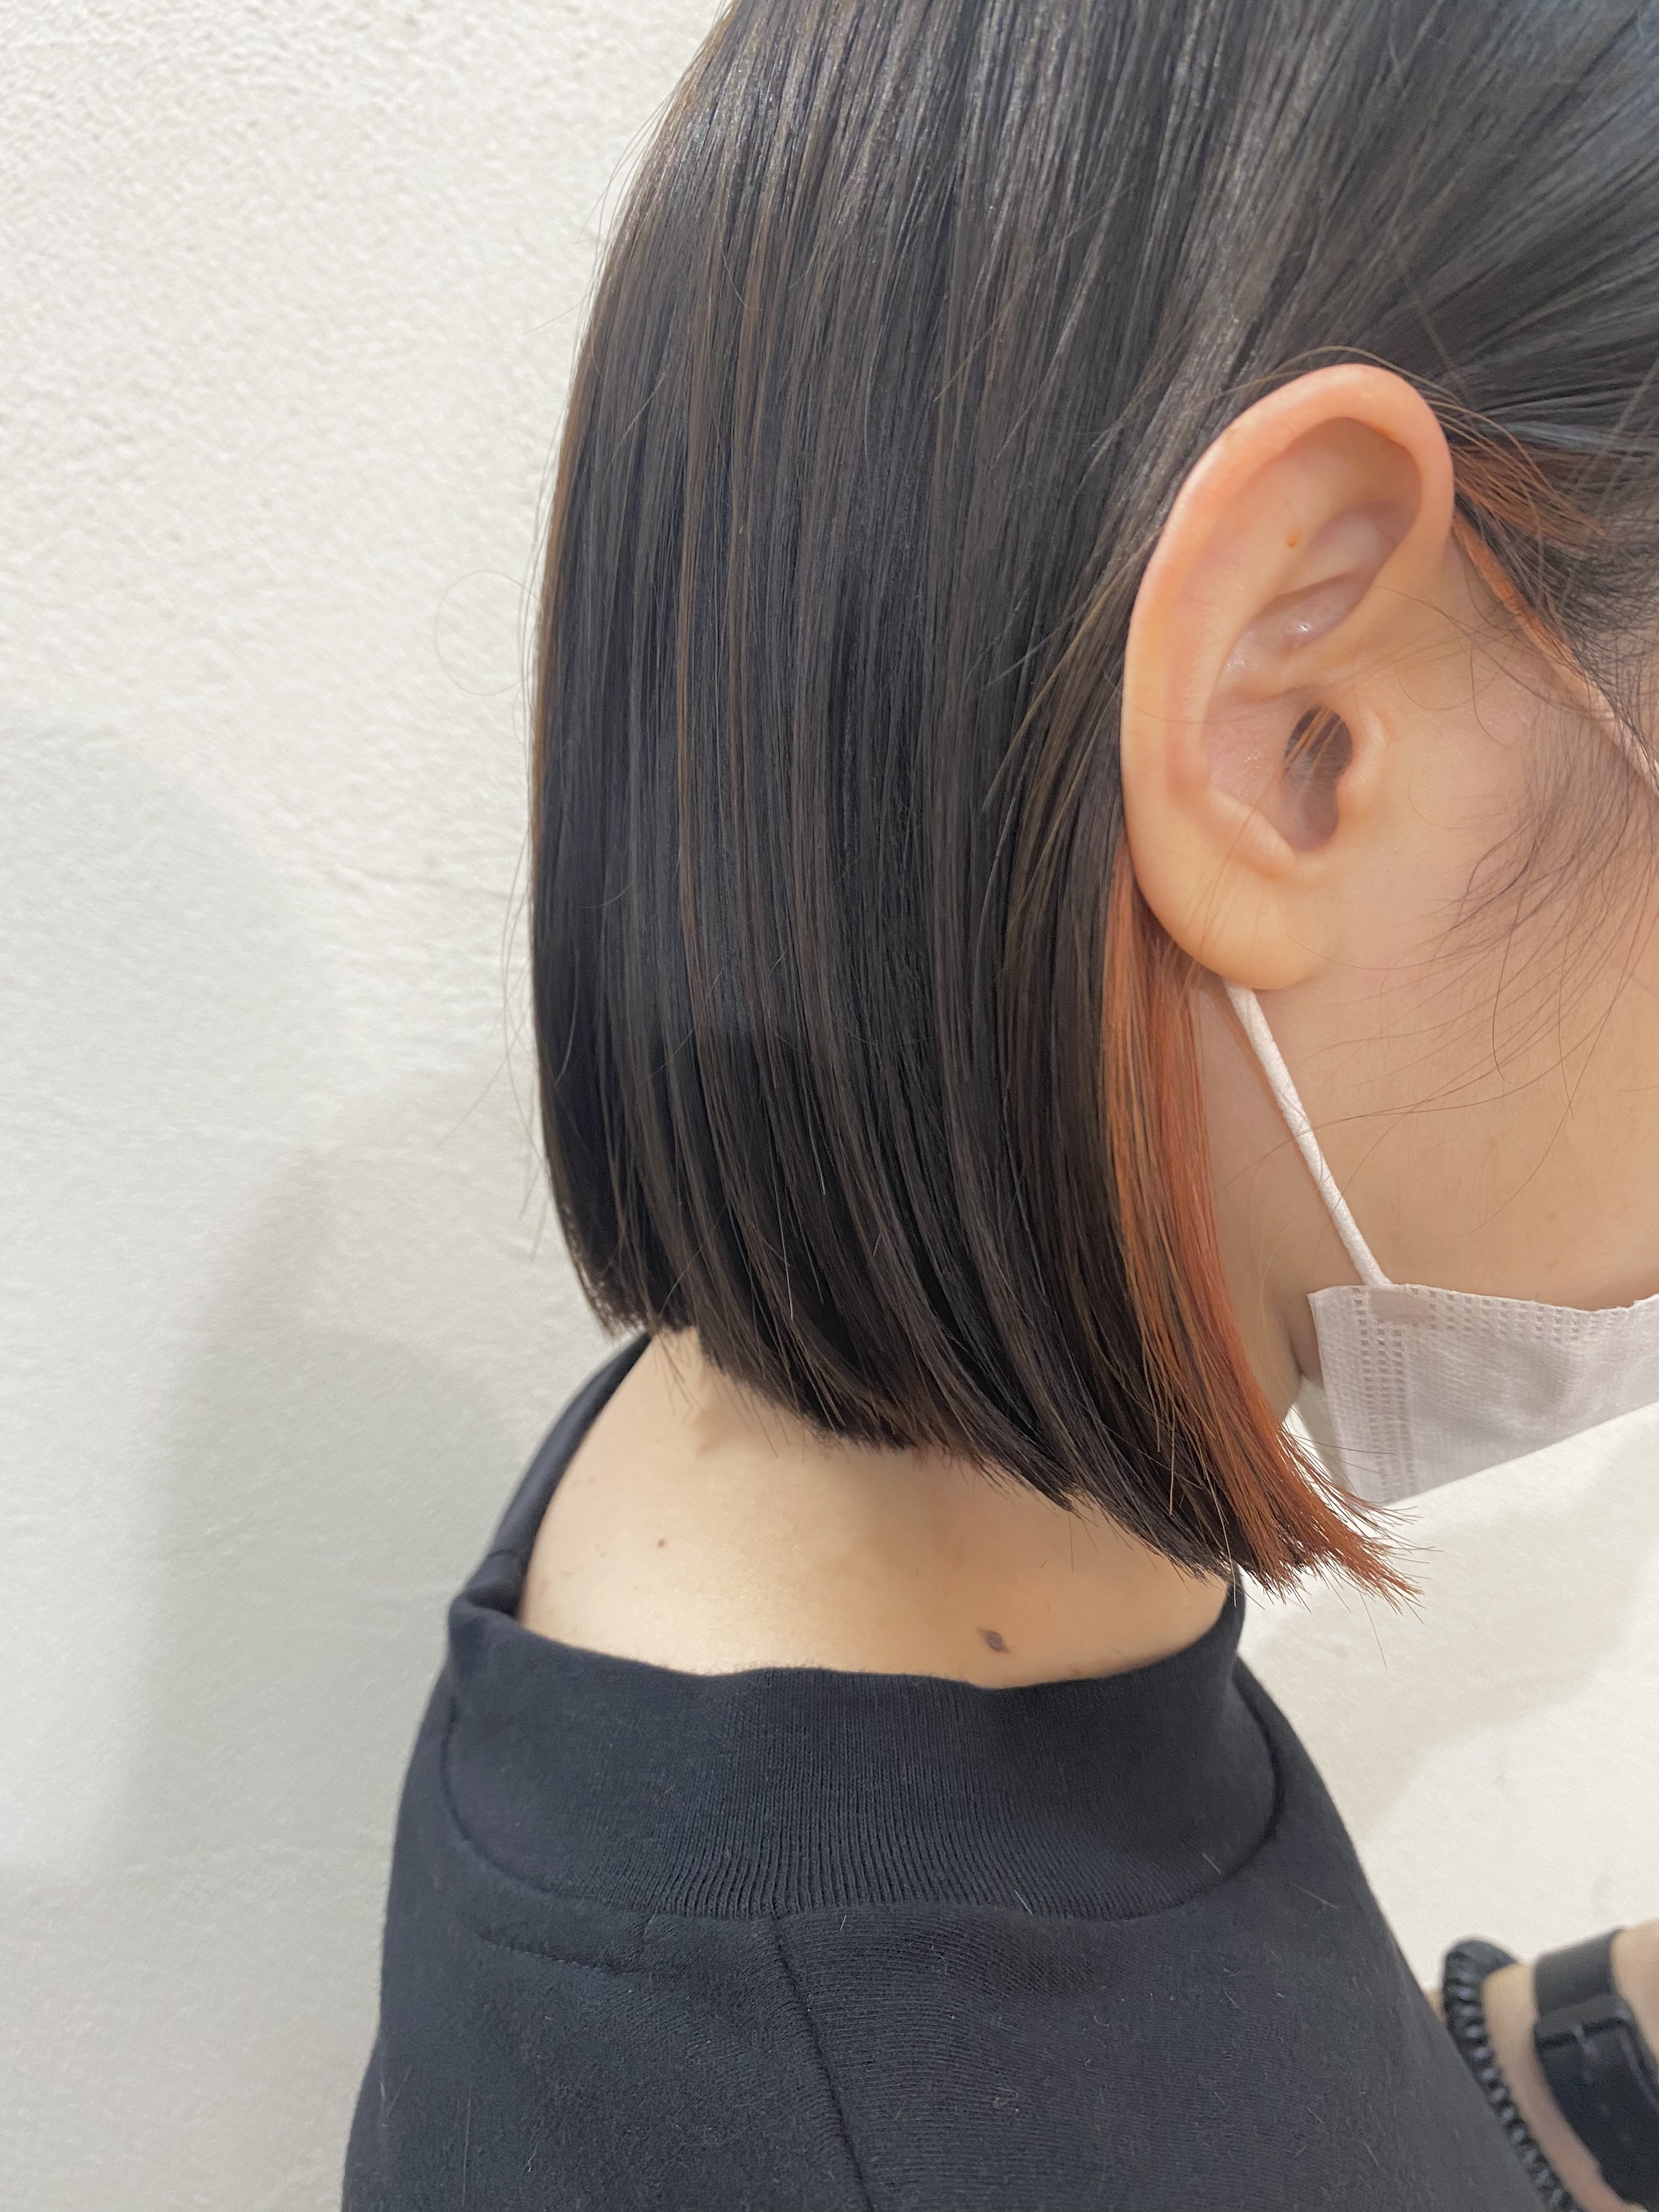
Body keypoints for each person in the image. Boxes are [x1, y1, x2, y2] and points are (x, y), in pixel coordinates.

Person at [343, 0, 1659, 2204]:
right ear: (1300, 742)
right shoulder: (847, 2090)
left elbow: (1251, 2095)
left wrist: (1592, 2058)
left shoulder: (808, 1553)